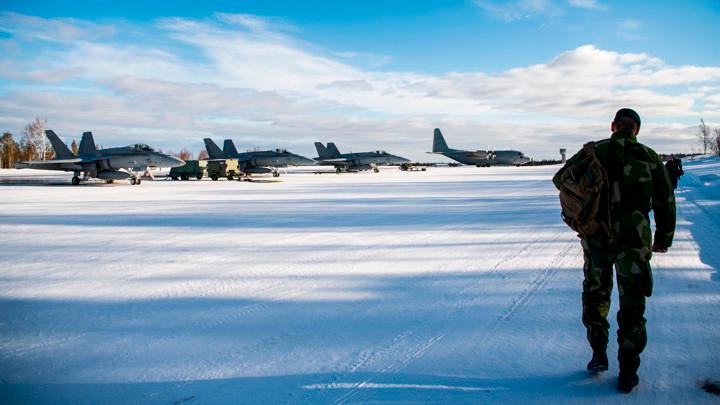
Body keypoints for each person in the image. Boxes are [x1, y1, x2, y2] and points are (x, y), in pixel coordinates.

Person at [553, 108, 676, 393]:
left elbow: (561, 180)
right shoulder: (648, 156)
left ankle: (598, 353)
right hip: (634, 243)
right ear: (637, 129)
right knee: (633, 304)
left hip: (597, 239)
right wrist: (663, 238)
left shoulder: (593, 152)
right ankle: (628, 371)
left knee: (596, 296)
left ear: (613, 126)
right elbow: (665, 201)